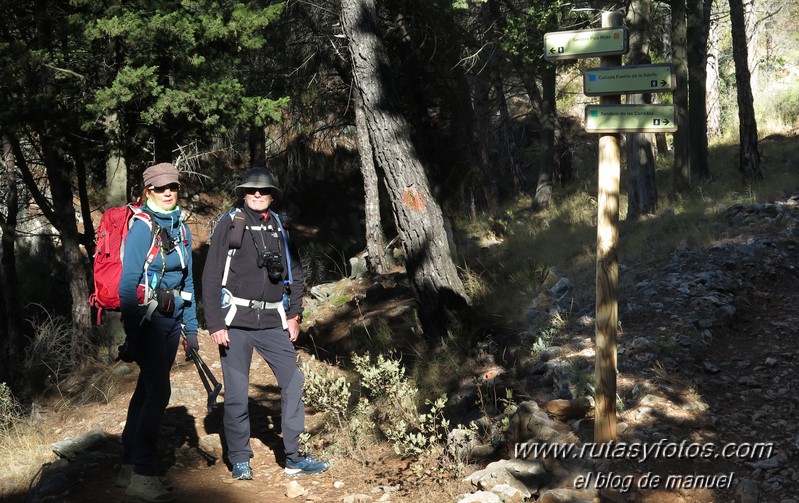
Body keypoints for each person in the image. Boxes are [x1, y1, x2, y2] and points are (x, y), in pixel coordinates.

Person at [202, 167, 330, 479]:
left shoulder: (280, 226)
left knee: (293, 382)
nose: (257, 195)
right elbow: (210, 274)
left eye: (263, 191)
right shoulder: (230, 224)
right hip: (236, 324)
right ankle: (241, 459)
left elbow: (295, 273)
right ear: (243, 193)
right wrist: (215, 323)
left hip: (274, 321)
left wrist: (294, 314)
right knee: (235, 393)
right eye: (251, 190)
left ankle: (294, 456)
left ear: (272, 195)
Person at [117, 162, 199, 503]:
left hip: (172, 322)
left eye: (173, 187)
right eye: (161, 187)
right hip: (148, 324)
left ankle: (128, 464)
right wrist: (134, 333)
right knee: (159, 394)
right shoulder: (141, 228)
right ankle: (144, 473)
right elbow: (126, 286)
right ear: (148, 190)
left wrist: (191, 330)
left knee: (146, 392)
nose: (168, 192)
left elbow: (188, 282)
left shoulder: (181, 227)